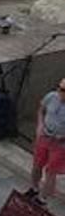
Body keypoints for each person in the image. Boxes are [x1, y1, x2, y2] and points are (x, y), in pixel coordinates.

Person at [26, 78, 65, 206]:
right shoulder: (51, 97)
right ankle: (33, 188)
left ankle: (42, 198)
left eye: (63, 90)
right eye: (59, 87)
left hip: (60, 143)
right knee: (37, 164)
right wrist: (40, 126)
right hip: (44, 137)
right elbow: (41, 110)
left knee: (51, 172)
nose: (60, 91)